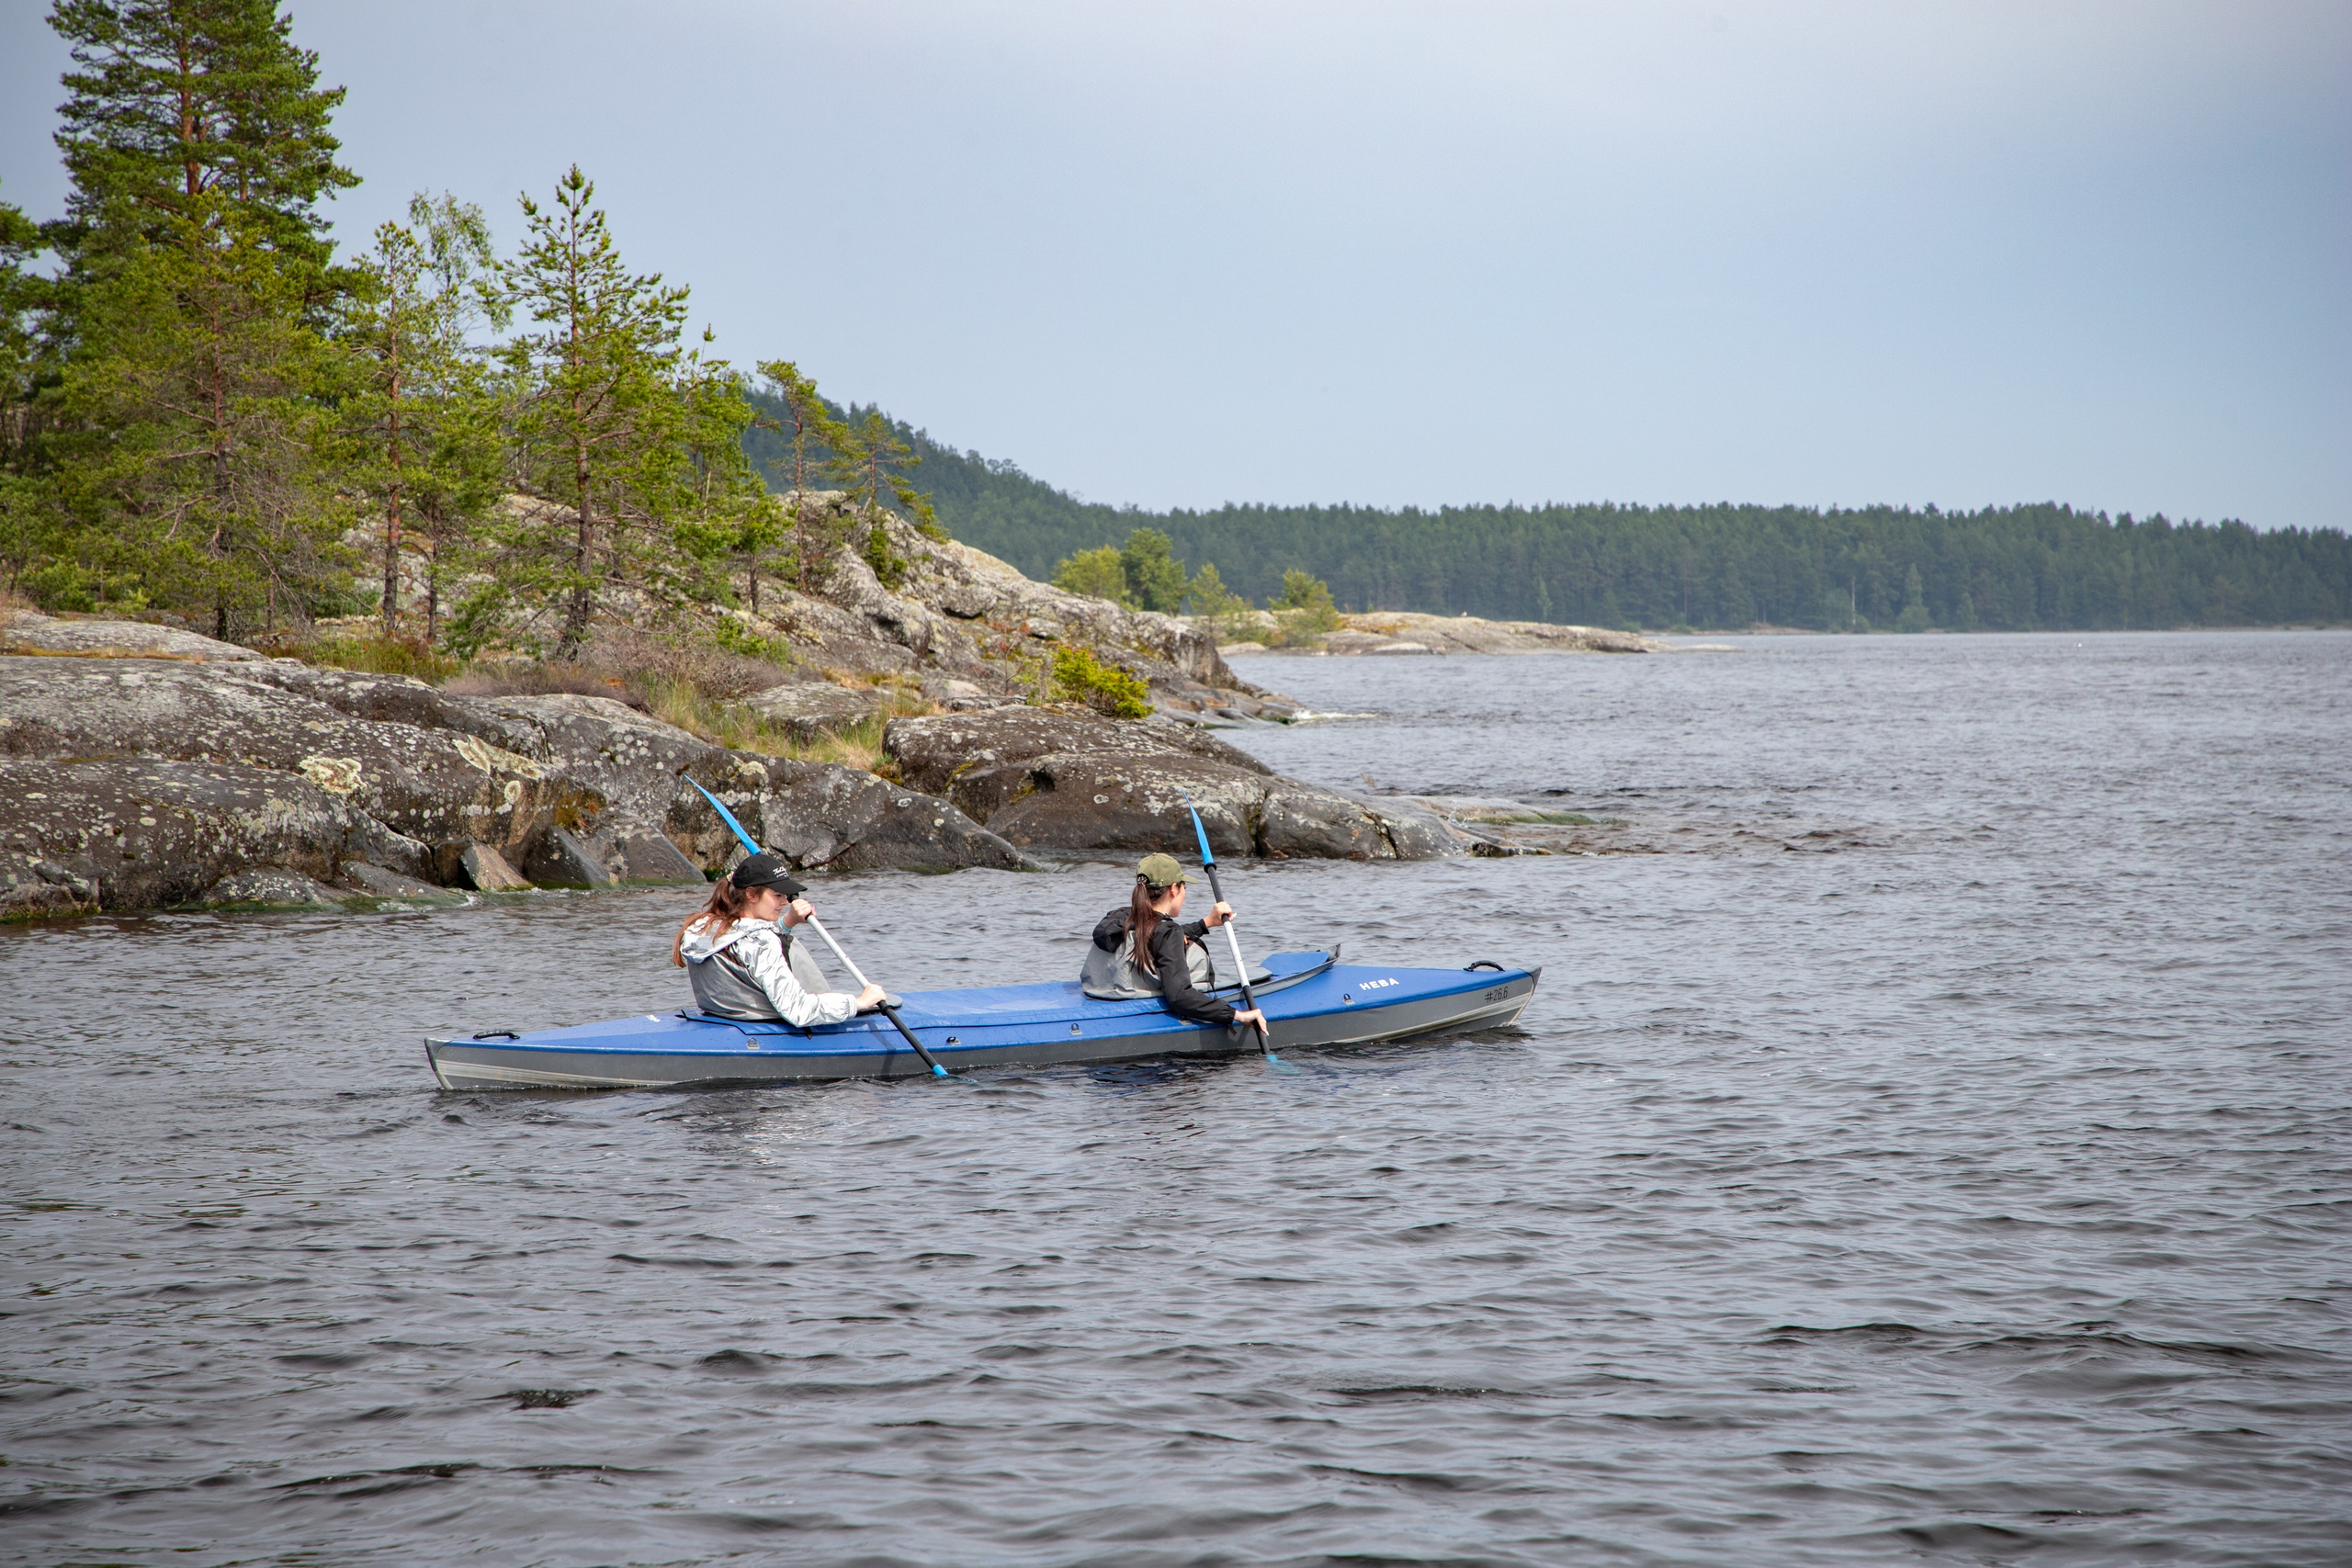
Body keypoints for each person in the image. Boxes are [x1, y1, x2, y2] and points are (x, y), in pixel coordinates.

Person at [672, 851, 886, 1025]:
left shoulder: (705, 926)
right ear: (751, 894)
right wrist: (858, 1003)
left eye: (785, 895)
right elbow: (798, 1010)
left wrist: (787, 922)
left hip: (722, 1017)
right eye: (777, 895)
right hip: (758, 1025)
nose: (785, 902)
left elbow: (745, 944)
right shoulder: (762, 942)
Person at [1082, 852, 1268, 1032]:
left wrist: (1206, 923)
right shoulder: (1167, 932)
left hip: (1102, 994)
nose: (1184, 892)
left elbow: (1155, 936)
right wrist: (1237, 1015)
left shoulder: (1120, 918)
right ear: (1173, 889)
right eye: (1184, 887)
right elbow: (1180, 997)